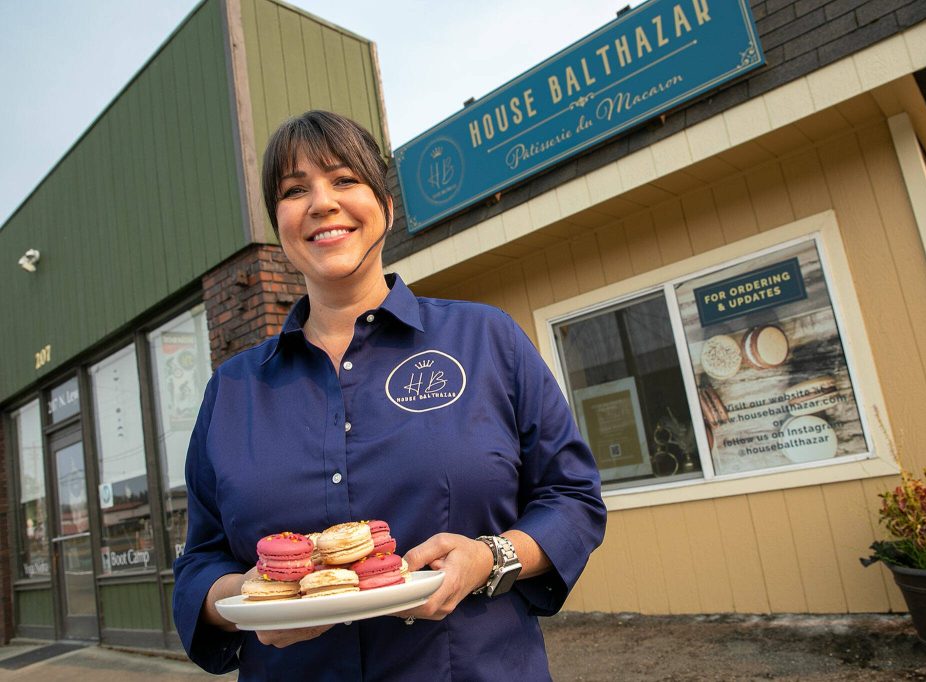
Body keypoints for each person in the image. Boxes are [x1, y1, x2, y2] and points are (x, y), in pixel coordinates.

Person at [172, 110, 606, 681]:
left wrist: (489, 558)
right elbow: (200, 562)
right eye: (294, 190)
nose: (321, 203)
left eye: (344, 179)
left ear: (387, 206)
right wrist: (244, 598)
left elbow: (572, 498)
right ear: (278, 225)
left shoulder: (486, 340)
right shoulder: (232, 392)